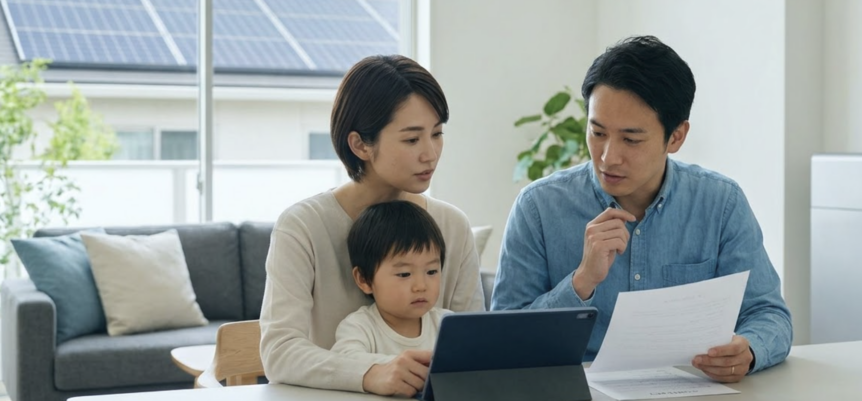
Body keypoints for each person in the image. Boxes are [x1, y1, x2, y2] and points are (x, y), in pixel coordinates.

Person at [491, 36, 792, 383]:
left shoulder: (720, 204)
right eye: (597, 132)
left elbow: (769, 314)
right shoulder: (539, 208)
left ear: (676, 137)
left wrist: (749, 350)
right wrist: (582, 281)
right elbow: (504, 341)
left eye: (631, 139)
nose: (608, 157)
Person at [260, 55, 484, 397]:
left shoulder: (451, 225)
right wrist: (370, 372)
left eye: (437, 134)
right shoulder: (302, 227)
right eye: (412, 140)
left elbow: (473, 345)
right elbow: (279, 352)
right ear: (360, 144)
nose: (431, 154)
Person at [331, 201, 451, 367]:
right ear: (364, 279)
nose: (421, 286)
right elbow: (344, 362)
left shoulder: (447, 324)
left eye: (431, 271)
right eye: (404, 274)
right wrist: (395, 366)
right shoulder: (360, 326)